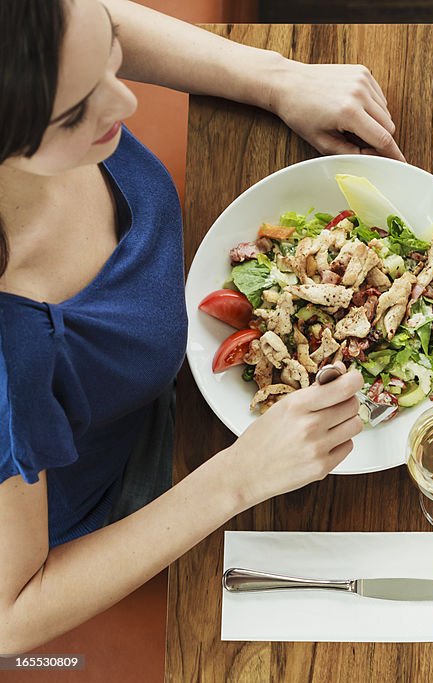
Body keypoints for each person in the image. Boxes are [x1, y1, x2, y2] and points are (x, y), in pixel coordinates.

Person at [0, 0, 402, 653]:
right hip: (121, 488)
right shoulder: (9, 353)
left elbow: (91, 24)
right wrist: (238, 475)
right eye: (75, 112)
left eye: (109, 51)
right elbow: (9, 616)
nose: (126, 102)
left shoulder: (42, 48)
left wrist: (276, 78)